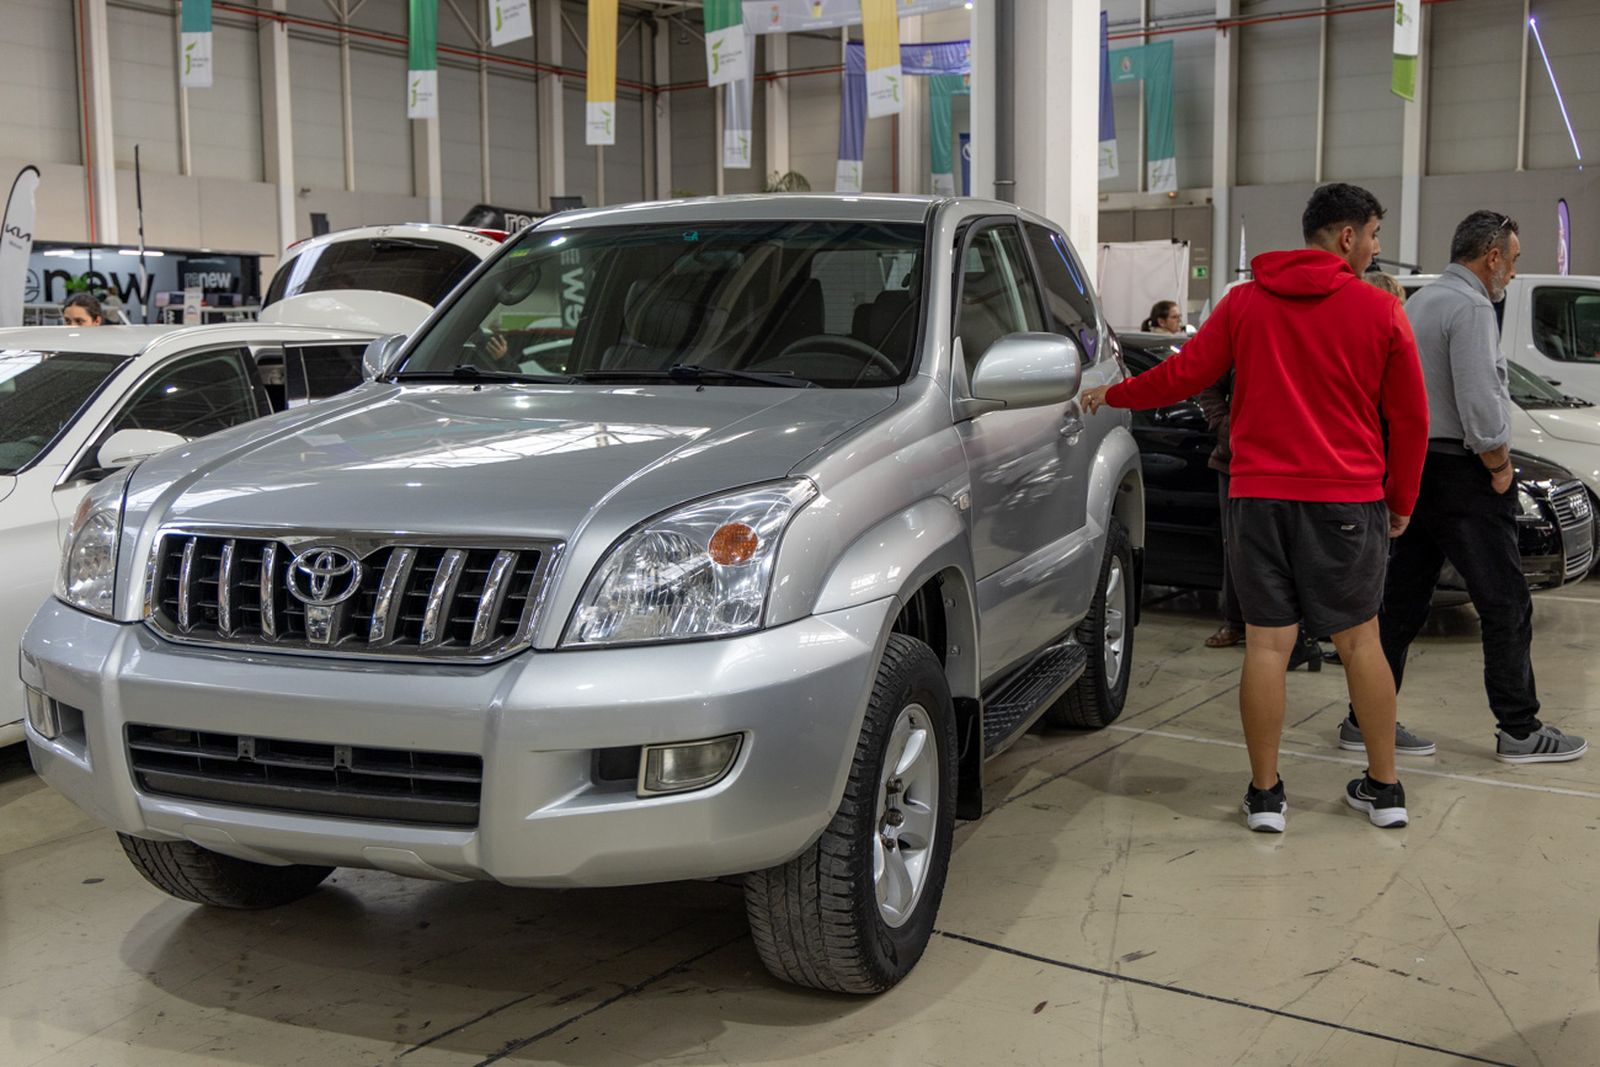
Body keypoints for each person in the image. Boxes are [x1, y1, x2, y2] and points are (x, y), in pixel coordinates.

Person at [1082, 183, 1431, 833]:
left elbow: (1183, 375)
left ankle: (1267, 796)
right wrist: (1401, 499)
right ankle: (1384, 790)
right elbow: (1410, 417)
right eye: (1375, 234)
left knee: (1268, 646)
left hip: (1259, 497)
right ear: (1346, 236)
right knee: (1361, 642)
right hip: (1348, 500)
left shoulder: (1244, 303)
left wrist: (1115, 391)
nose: (1378, 248)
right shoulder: (1380, 312)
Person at [1374, 211, 1587, 764]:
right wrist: (1499, 464)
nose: (1513, 273)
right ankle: (1519, 728)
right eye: (1513, 261)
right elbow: (1478, 401)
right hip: (1461, 475)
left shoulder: (1421, 302)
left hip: (1418, 466)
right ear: (1491, 256)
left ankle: (1365, 717)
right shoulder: (1470, 307)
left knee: (1401, 601)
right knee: (1505, 601)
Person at [1195, 370, 1322, 671]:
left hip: (1299, 461)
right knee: (1238, 548)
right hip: (1237, 461)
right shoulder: (1243, 334)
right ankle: (1237, 622)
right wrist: (1226, 426)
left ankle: (1302, 636)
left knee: (1297, 550)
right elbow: (1206, 384)